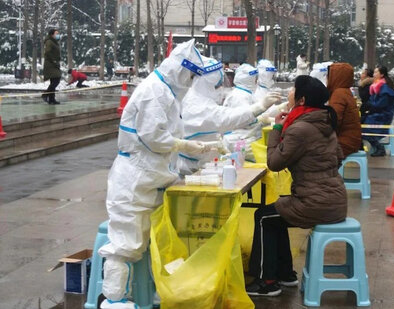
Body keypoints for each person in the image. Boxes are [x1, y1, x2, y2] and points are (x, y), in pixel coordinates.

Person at [97, 39, 207, 309]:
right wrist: (183, 145)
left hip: (152, 178)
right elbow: (153, 136)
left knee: (158, 241)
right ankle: (114, 301)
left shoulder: (167, 92)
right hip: (134, 180)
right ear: (180, 69)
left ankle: (154, 292)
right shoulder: (155, 92)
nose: (191, 81)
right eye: (191, 75)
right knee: (126, 245)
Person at [246, 75, 347, 296]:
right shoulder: (323, 122)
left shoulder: (300, 128)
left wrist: (277, 129)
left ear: (301, 100)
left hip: (315, 203)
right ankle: (285, 274)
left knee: (263, 216)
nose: (289, 92)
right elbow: (338, 157)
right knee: (276, 212)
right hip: (335, 198)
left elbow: (273, 163)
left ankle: (266, 281)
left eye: (293, 89)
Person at [177, 56, 282, 175]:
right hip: (191, 167)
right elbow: (227, 118)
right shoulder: (196, 104)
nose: (221, 89)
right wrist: (260, 107)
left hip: (203, 163)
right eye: (217, 85)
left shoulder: (199, 98)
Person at [223, 63, 282, 159]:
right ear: (249, 80)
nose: (256, 81)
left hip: (246, 137)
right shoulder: (239, 96)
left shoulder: (246, 94)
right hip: (240, 140)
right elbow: (245, 119)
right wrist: (263, 119)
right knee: (269, 159)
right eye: (255, 78)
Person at [326, 62, 362, 158]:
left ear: (336, 77)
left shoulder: (339, 94)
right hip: (352, 140)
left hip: (344, 143)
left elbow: (333, 120)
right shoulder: (345, 91)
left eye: (329, 75)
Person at [361, 66, 394, 157]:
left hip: (382, 116)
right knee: (359, 124)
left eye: (376, 72)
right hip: (375, 113)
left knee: (363, 129)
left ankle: (379, 148)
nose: (374, 74)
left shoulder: (385, 89)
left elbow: (380, 105)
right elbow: (371, 101)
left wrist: (368, 107)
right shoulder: (376, 86)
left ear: (382, 75)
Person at [42, 29, 62, 105]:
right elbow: (47, 52)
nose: (58, 35)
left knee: (53, 81)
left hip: (54, 64)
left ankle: (51, 99)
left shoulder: (54, 42)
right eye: (56, 33)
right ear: (52, 34)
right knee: (56, 79)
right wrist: (54, 60)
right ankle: (45, 94)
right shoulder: (49, 42)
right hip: (50, 64)